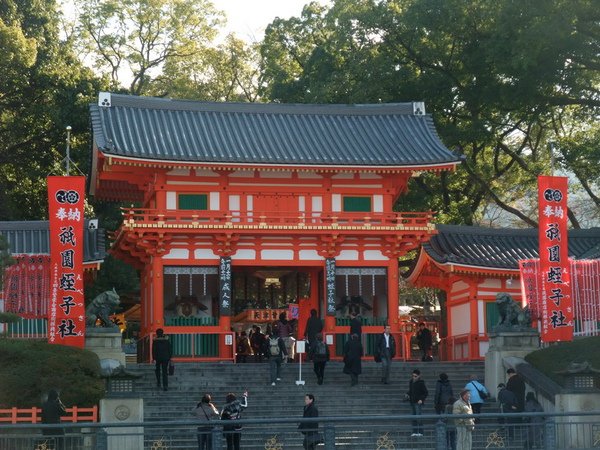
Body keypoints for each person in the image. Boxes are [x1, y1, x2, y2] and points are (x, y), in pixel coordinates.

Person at [407, 368, 428, 436]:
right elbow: (411, 391)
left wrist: (421, 399)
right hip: (412, 401)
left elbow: (425, 393)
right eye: (413, 376)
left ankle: (420, 431)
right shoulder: (411, 382)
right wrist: (407, 394)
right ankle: (414, 431)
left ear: (419, 376)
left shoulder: (421, 383)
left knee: (418, 417)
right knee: (413, 417)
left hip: (418, 402)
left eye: (415, 376)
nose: (414, 377)